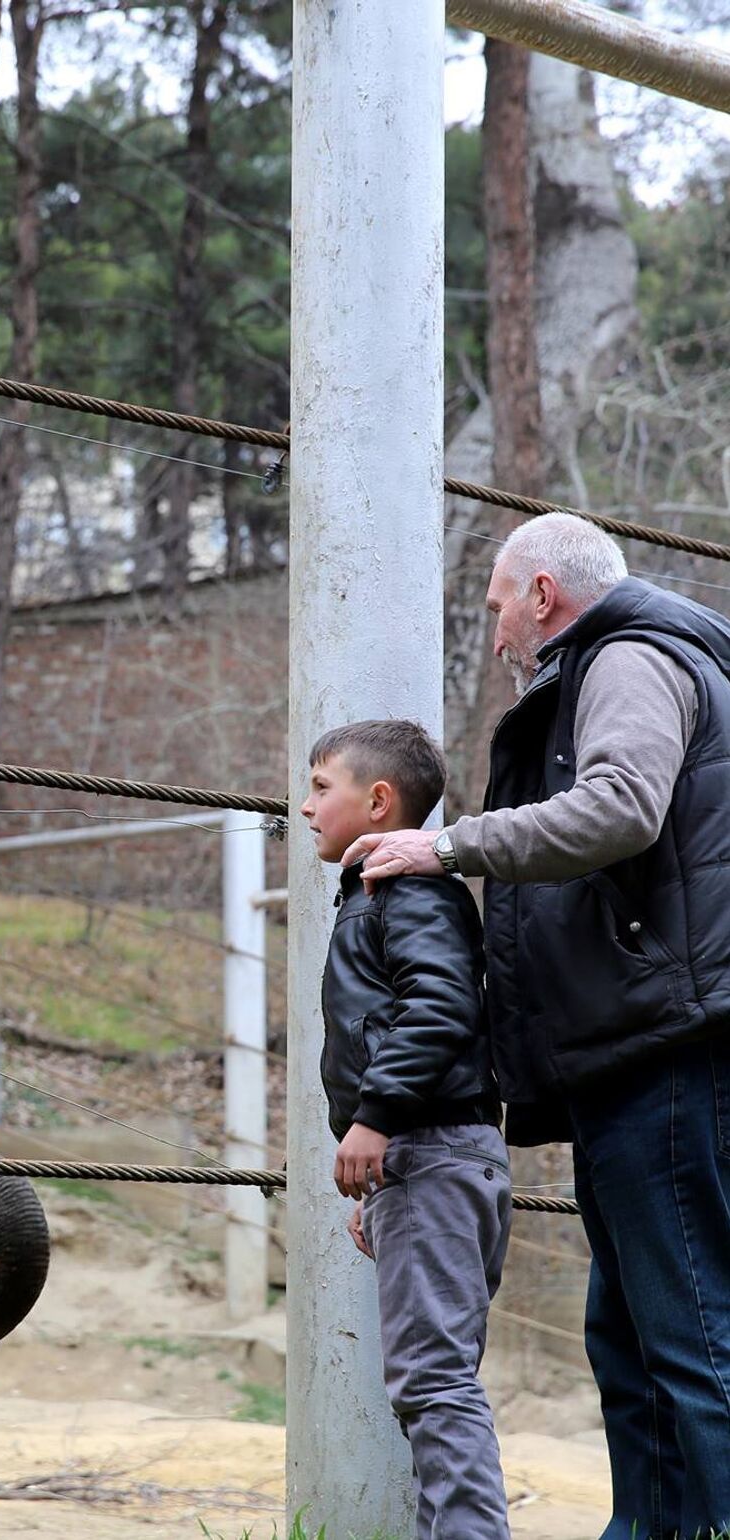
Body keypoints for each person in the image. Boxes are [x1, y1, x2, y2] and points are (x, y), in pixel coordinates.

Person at [345, 511, 730, 1540]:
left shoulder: (628, 658)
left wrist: (446, 848)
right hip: (631, 1049)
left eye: (498, 609)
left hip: (668, 1050)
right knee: (630, 1339)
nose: (498, 634)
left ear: (542, 596)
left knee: (691, 1331)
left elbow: (621, 807)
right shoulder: (616, 664)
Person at [301, 718, 510, 1540]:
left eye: (323, 788)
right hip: (429, 1159)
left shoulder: (407, 890)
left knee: (435, 1382)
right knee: (433, 1379)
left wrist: (376, 1120)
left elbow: (442, 1007)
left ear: (378, 801)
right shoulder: (380, 894)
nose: (309, 807)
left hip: (429, 1148)